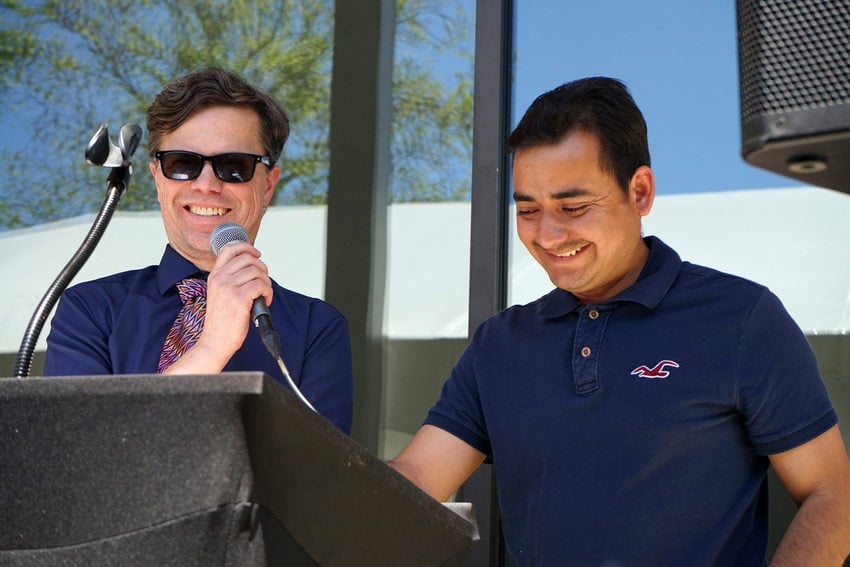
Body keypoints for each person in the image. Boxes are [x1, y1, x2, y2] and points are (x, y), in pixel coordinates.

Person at [389, 77, 850, 565]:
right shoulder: (499, 345)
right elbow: (416, 480)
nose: (547, 233)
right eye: (527, 210)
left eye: (574, 207)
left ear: (641, 192)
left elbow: (833, 496)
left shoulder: (741, 319)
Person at [44, 67, 353, 434]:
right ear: (158, 178)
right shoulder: (90, 311)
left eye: (233, 166)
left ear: (268, 184)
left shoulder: (317, 330)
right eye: (182, 164)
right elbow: (80, 460)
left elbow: (320, 481)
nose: (206, 185)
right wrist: (213, 345)